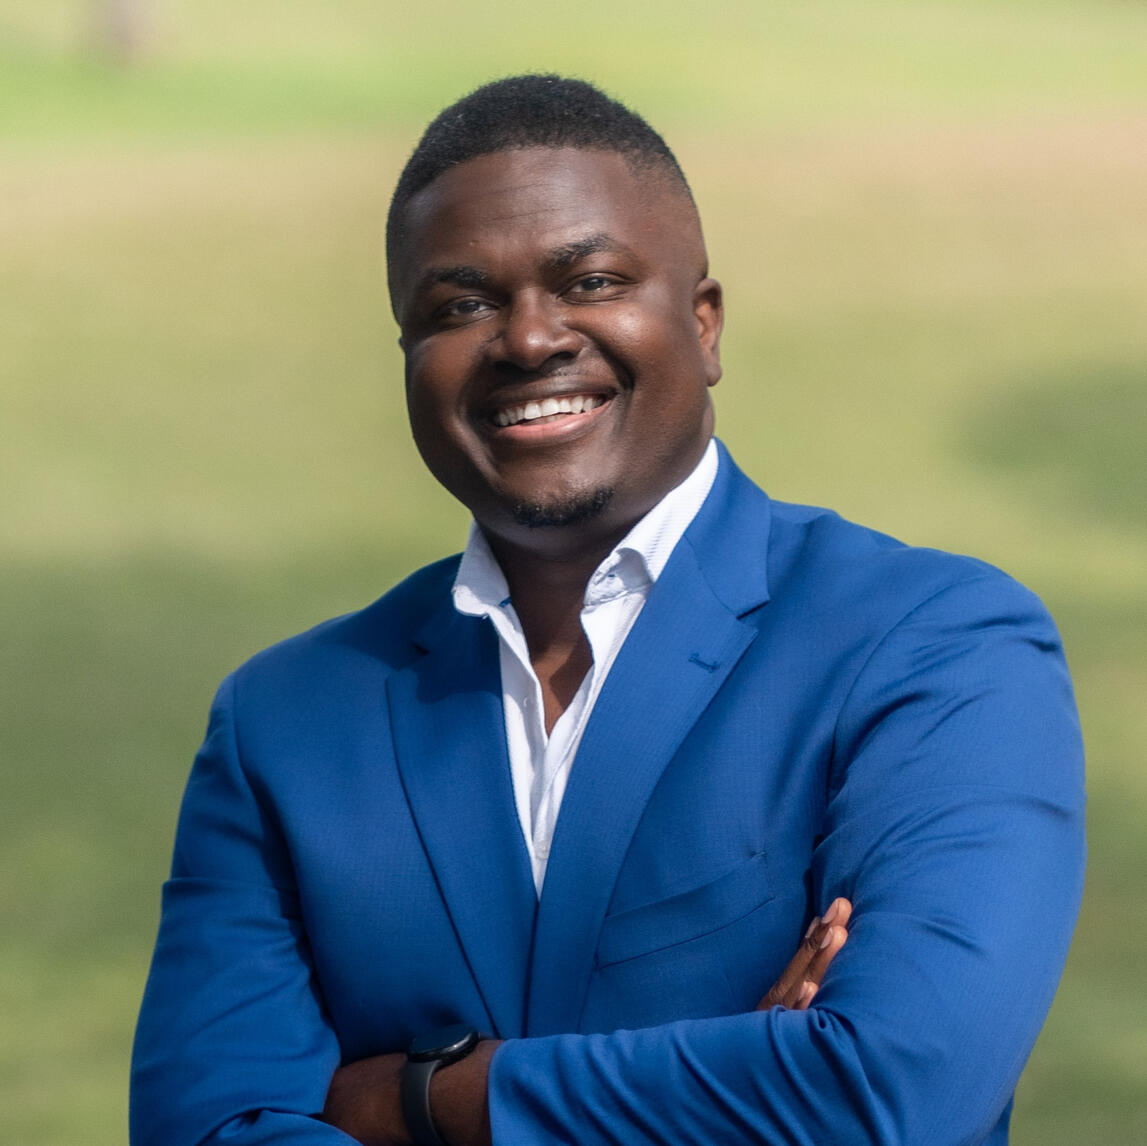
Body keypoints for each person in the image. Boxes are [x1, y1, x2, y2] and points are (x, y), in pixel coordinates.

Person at [130, 75, 1085, 1146]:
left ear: (704, 324)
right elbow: (205, 1130)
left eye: (588, 281)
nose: (528, 340)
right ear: (407, 355)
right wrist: (743, 1079)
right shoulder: (284, 724)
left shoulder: (932, 646)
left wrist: (428, 1100)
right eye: (460, 306)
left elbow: (888, 1088)